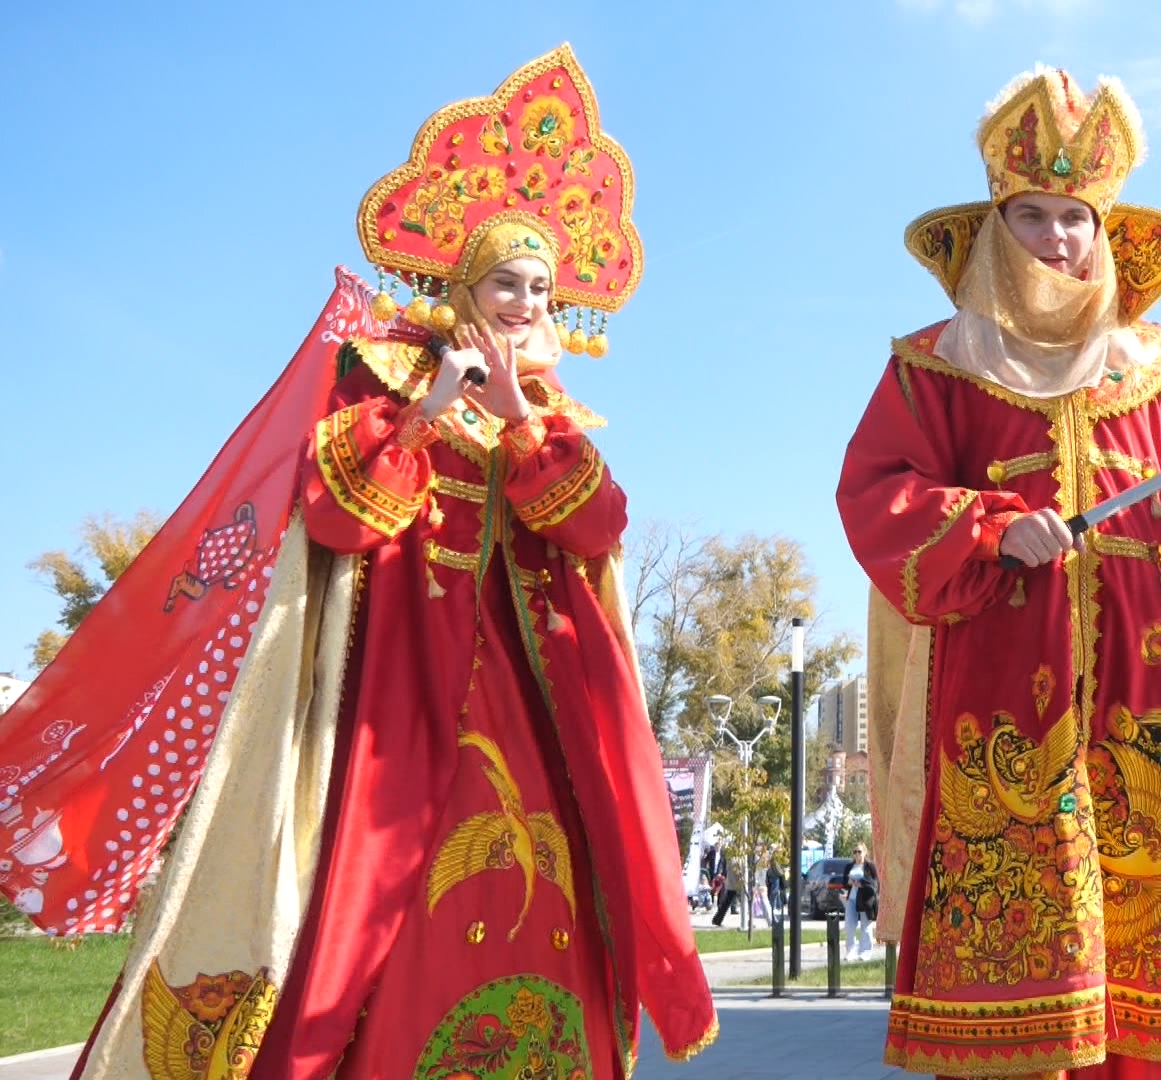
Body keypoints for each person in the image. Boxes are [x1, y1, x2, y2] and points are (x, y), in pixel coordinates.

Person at [47, 47, 717, 1079]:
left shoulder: (560, 415)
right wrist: (430, 414)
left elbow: (598, 527)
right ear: (460, 283)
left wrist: (522, 428)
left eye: (542, 289)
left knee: (548, 880)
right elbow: (341, 517)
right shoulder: (384, 372)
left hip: (539, 709)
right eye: (506, 283)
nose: (526, 305)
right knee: (384, 902)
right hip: (399, 698)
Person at [838, 65, 1161, 1078]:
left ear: (1107, 234)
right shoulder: (935, 366)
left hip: (1153, 719)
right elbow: (877, 498)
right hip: (1001, 730)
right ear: (996, 228)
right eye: (1034, 216)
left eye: (1078, 219)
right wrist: (989, 529)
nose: (1058, 239)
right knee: (1018, 1010)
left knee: (1155, 1022)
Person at [844, 845, 878, 962]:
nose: (857, 854)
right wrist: (849, 882)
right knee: (849, 926)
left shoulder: (869, 866)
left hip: (864, 899)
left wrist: (861, 884)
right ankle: (851, 951)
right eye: (855, 852)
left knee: (866, 926)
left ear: (864, 852)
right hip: (852, 899)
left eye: (859, 852)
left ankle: (865, 952)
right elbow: (844, 882)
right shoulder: (850, 866)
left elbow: (874, 884)